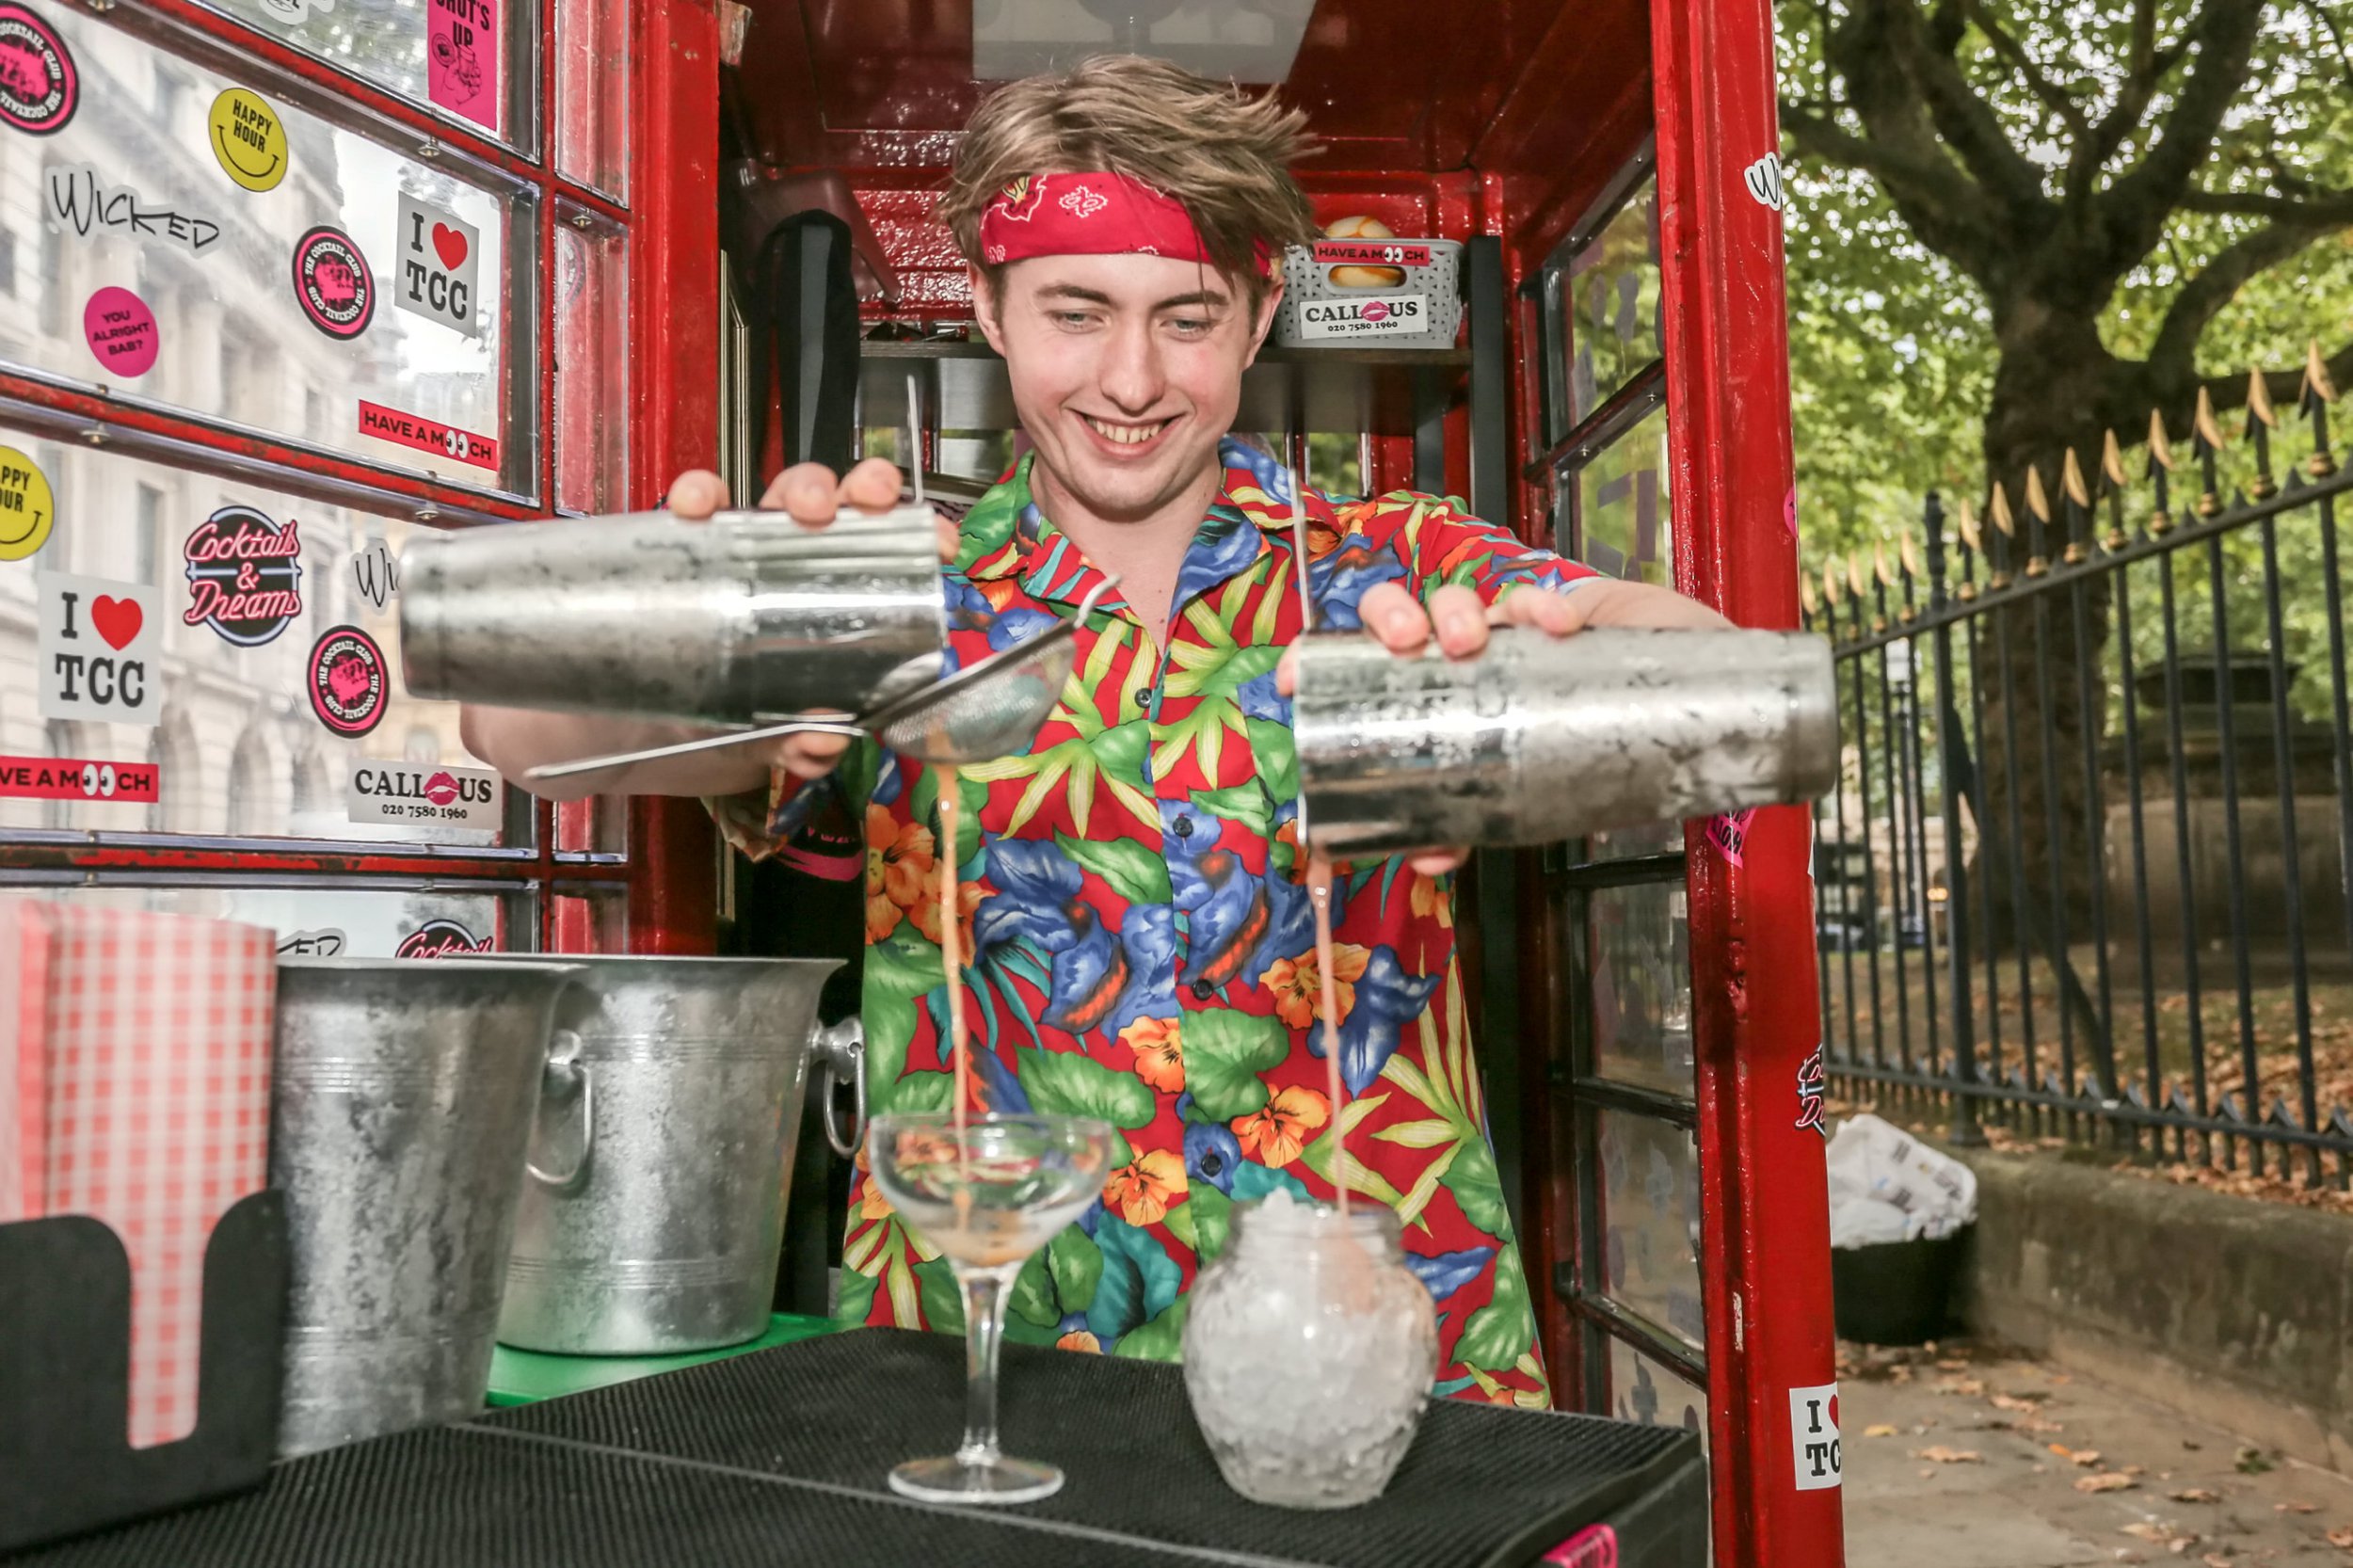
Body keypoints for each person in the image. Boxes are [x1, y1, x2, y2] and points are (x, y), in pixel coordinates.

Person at [464, 55, 1726, 1405]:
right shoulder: (900, 593)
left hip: (1375, 1343)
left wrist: (1582, 651)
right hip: (988, 1363)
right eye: (1078, 310)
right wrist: (697, 624)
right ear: (992, 310)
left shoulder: (1393, 565)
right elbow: (511, 722)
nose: (1133, 379)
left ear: (1256, 320)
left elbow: (1703, 688)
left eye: (1186, 317)